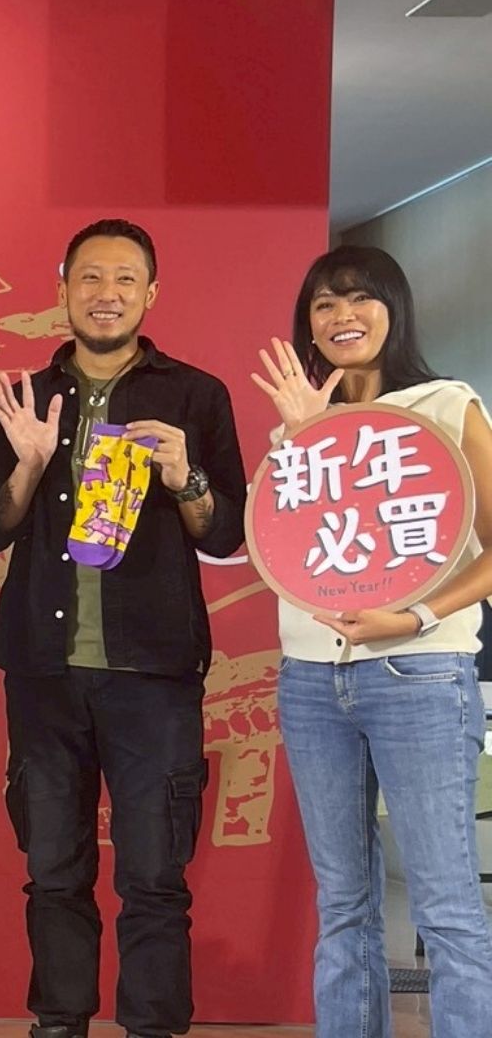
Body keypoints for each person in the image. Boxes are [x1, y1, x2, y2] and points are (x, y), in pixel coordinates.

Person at [0, 219, 247, 1038]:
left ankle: (152, 1028)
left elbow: (226, 533)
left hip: (154, 676)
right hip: (43, 669)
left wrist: (185, 475)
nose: (107, 294)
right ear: (62, 290)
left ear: (150, 294)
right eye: (90, 278)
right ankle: (59, 1022)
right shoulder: (23, 398)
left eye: (125, 279)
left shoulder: (196, 395)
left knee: (155, 876)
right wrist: (28, 463)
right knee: (52, 871)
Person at [249, 245, 492, 1037]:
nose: (341, 315)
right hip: (312, 680)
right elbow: (283, 545)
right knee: (344, 902)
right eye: (324, 303)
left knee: (445, 903)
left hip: (420, 670)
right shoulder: (297, 429)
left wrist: (415, 616)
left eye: (359, 298)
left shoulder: (446, 405)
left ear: (395, 308)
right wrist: (304, 438)